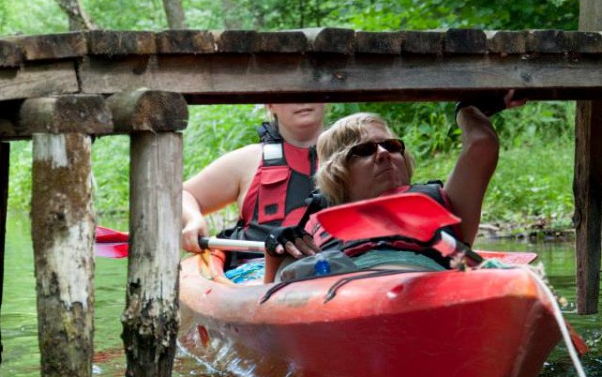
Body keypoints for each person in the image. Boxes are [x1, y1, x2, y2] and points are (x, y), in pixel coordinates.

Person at [265, 92, 524, 272]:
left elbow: (482, 144)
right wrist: (273, 254)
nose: (384, 153)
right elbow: (273, 294)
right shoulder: (313, 227)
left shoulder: (446, 205)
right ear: (338, 171)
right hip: (348, 292)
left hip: (434, 287)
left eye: (391, 145)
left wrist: (467, 108)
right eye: (364, 151)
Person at [180, 103, 326, 262]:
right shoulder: (247, 160)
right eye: (290, 92)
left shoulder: (352, 155)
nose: (300, 99)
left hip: (339, 270)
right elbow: (183, 195)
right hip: (255, 276)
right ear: (270, 105)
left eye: (306, 88)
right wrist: (193, 219)